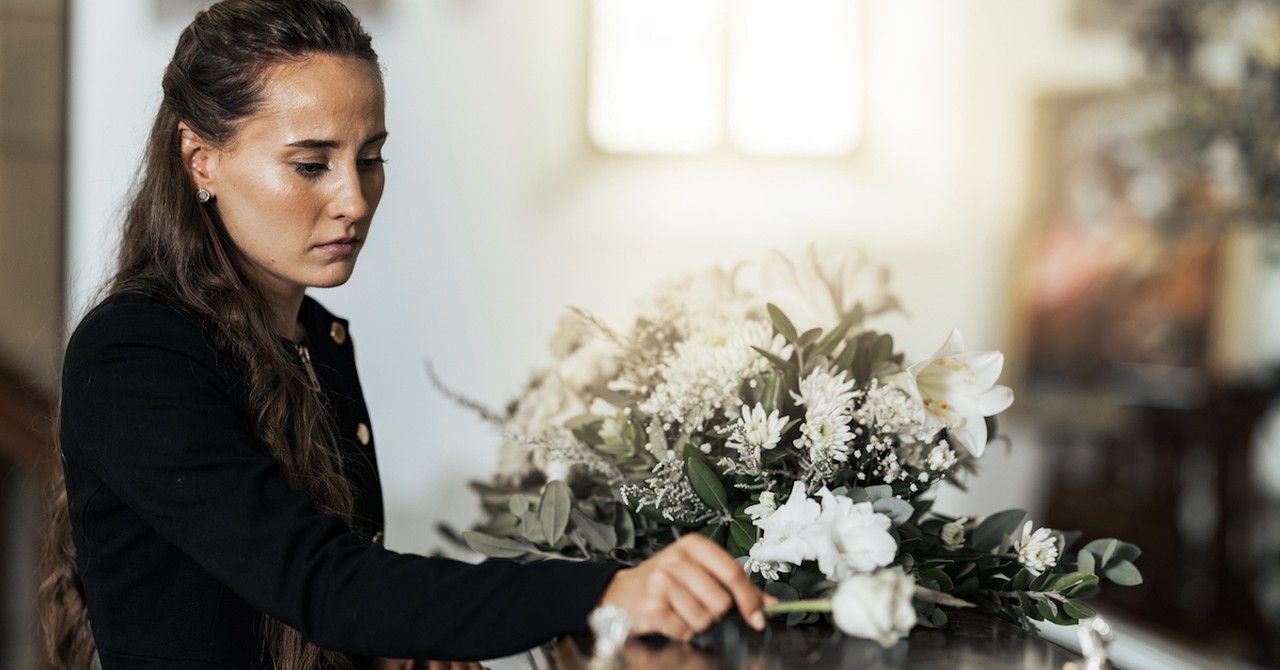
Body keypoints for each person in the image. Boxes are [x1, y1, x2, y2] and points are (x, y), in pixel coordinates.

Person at [37, 1, 768, 668]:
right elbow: (320, 582)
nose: (353, 200)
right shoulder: (134, 352)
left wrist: (390, 650)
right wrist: (602, 589)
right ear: (202, 159)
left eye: (371, 158)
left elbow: (298, 599)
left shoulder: (312, 339)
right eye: (310, 164)